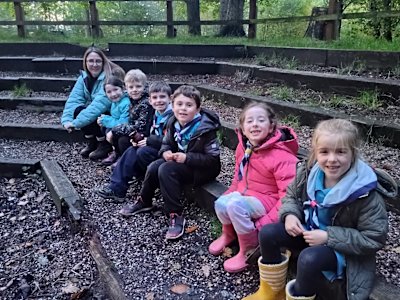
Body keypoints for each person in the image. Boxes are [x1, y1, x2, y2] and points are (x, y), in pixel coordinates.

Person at [243, 119, 393, 300]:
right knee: (268, 233)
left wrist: (329, 236)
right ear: (316, 152)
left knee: (308, 259)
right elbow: (291, 196)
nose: (331, 159)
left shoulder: (365, 194)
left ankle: (299, 296)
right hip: (310, 232)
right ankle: (271, 292)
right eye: (324, 152)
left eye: (340, 152)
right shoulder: (309, 172)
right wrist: (290, 214)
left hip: (342, 250)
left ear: (353, 154)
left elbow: (374, 238)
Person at [119, 85, 221, 240]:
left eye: (189, 105)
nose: (183, 109)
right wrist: (165, 152)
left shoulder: (205, 129)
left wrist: (187, 158)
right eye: (179, 104)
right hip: (183, 162)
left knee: (166, 169)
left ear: (198, 109)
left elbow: (213, 160)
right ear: (173, 106)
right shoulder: (173, 122)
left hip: (202, 169)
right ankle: (144, 200)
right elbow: (167, 143)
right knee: (154, 166)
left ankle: (175, 213)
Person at [208, 102, 299, 273]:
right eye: (249, 121)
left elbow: (288, 196)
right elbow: (238, 178)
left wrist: (264, 224)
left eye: (260, 120)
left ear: (271, 126)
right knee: (221, 203)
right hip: (246, 194)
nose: (255, 124)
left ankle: (248, 248)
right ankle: (229, 234)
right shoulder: (244, 147)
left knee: (235, 205)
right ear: (242, 127)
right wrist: (229, 194)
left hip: (269, 201)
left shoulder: (282, 156)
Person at [95, 81, 174, 202]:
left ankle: (135, 181)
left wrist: (148, 140)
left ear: (170, 98)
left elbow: (171, 140)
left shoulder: (173, 116)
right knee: (132, 149)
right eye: (155, 97)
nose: (159, 100)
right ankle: (116, 188)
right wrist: (139, 139)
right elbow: (146, 131)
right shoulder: (155, 113)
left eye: (162, 97)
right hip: (155, 146)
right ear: (150, 100)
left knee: (141, 152)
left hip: (167, 151)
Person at [61, 46, 125, 160]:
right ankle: (92, 142)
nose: (94, 65)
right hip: (97, 110)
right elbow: (74, 100)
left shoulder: (111, 75)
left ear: (103, 62)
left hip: (113, 112)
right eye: (90, 61)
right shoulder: (84, 77)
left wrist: (75, 123)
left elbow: (100, 104)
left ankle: (104, 144)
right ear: (85, 62)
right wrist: (66, 120)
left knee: (94, 112)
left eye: (98, 61)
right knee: (78, 109)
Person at [102, 69, 153, 166]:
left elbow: (139, 127)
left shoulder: (146, 103)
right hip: (131, 127)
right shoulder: (128, 98)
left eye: (138, 86)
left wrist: (114, 130)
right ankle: (116, 153)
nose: (134, 90)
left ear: (144, 86)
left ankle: (124, 159)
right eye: (131, 87)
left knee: (122, 138)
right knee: (107, 127)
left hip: (142, 133)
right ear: (126, 88)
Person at [96, 76, 130, 165]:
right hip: (119, 127)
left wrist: (105, 120)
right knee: (105, 128)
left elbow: (123, 123)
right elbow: (116, 118)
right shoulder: (115, 102)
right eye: (109, 92)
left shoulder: (126, 102)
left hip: (127, 130)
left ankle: (122, 156)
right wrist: (105, 120)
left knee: (119, 137)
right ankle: (115, 152)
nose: (113, 94)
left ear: (123, 88)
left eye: (115, 90)